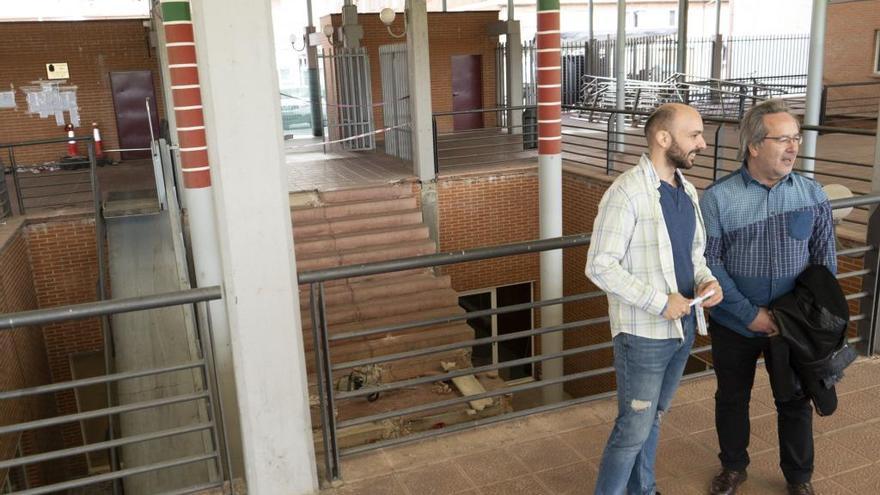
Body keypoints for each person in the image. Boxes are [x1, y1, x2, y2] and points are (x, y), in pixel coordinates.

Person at [700, 99, 836, 495]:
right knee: (731, 398)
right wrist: (749, 313)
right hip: (734, 321)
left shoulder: (812, 194)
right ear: (754, 145)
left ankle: (798, 477)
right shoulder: (719, 198)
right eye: (783, 139)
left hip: (792, 326)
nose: (794, 147)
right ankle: (733, 468)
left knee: (795, 401)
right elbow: (710, 263)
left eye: (796, 138)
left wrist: (802, 316)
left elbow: (824, 265)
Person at [586, 103, 723, 495]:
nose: (703, 143)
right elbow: (599, 266)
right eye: (694, 135)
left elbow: (693, 255)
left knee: (654, 419)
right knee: (632, 429)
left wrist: (707, 281)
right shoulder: (626, 193)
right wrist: (660, 302)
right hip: (644, 334)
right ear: (664, 139)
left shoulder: (688, 190)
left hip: (682, 327)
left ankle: (642, 489)